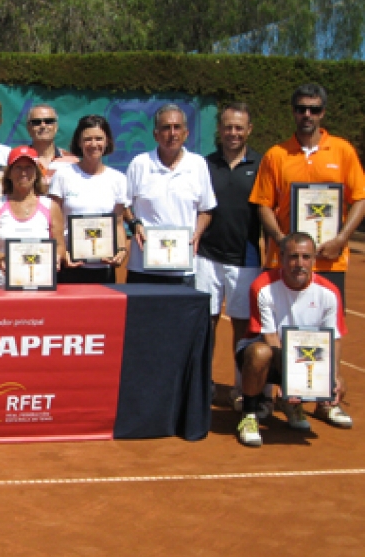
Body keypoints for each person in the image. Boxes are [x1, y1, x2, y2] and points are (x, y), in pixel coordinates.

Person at [249, 83, 365, 306]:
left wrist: (341, 239)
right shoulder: (276, 155)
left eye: (314, 109)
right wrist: (281, 240)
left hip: (329, 261)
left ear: (323, 112)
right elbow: (263, 204)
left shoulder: (343, 151)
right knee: (280, 328)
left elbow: (360, 198)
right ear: (293, 111)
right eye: (301, 109)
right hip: (284, 260)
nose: (307, 115)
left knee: (326, 331)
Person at [235, 232, 350, 447]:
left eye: (306, 257)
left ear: (314, 259)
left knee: (335, 379)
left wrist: (333, 378)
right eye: (293, 257)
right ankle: (249, 414)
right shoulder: (263, 287)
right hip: (263, 353)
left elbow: (332, 339)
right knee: (260, 353)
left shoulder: (329, 293)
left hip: (303, 356)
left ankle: (293, 405)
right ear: (281, 258)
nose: (300, 264)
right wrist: (293, 384)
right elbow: (270, 338)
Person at [196, 103, 263, 408]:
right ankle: (203, 382)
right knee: (205, 322)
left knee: (241, 325)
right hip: (207, 256)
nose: (233, 133)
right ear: (219, 130)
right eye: (227, 127)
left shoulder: (262, 166)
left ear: (248, 130)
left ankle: (241, 386)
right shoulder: (204, 165)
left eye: (239, 127)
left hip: (245, 259)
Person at [124, 104, 216, 286]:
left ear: (186, 133)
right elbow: (124, 206)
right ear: (155, 135)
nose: (172, 133)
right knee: (142, 316)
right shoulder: (139, 164)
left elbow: (206, 209)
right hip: (142, 267)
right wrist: (135, 224)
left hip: (183, 269)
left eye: (177, 127)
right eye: (166, 128)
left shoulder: (198, 164)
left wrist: (197, 233)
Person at [50, 115, 128, 284]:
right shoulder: (63, 175)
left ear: (107, 141)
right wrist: (62, 252)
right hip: (70, 266)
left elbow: (118, 223)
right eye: (87, 139)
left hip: (104, 268)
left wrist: (121, 249)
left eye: (99, 138)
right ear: (79, 142)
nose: (93, 144)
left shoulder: (118, 179)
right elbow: (53, 221)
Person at [0, 145, 64, 284]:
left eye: (29, 167)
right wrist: (1, 258)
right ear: (9, 173)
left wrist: (56, 257)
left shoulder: (50, 206)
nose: (23, 172)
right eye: (18, 167)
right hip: (1, 282)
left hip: (40, 281)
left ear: (37, 173)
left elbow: (60, 245)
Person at [27, 103, 79, 185]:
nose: (43, 125)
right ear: (29, 128)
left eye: (49, 121)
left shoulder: (72, 161)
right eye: (36, 122)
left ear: (56, 127)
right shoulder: (19, 159)